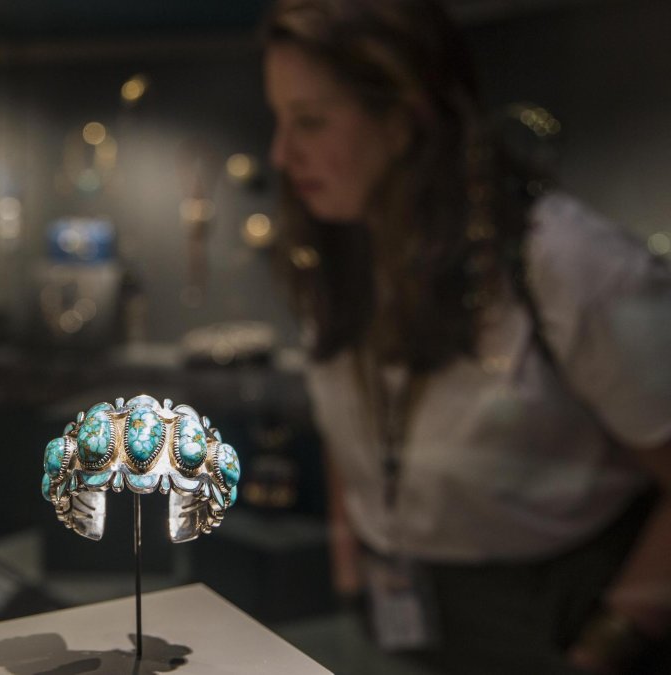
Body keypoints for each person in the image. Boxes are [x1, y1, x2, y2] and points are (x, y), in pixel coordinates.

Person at [261, 1, 671, 673]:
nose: (281, 154)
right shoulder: (347, 260)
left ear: (405, 116)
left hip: (558, 620)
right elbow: (352, 429)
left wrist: (605, 645)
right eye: (279, 120)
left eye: (309, 121)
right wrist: (350, 580)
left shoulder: (568, 262)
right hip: (409, 617)